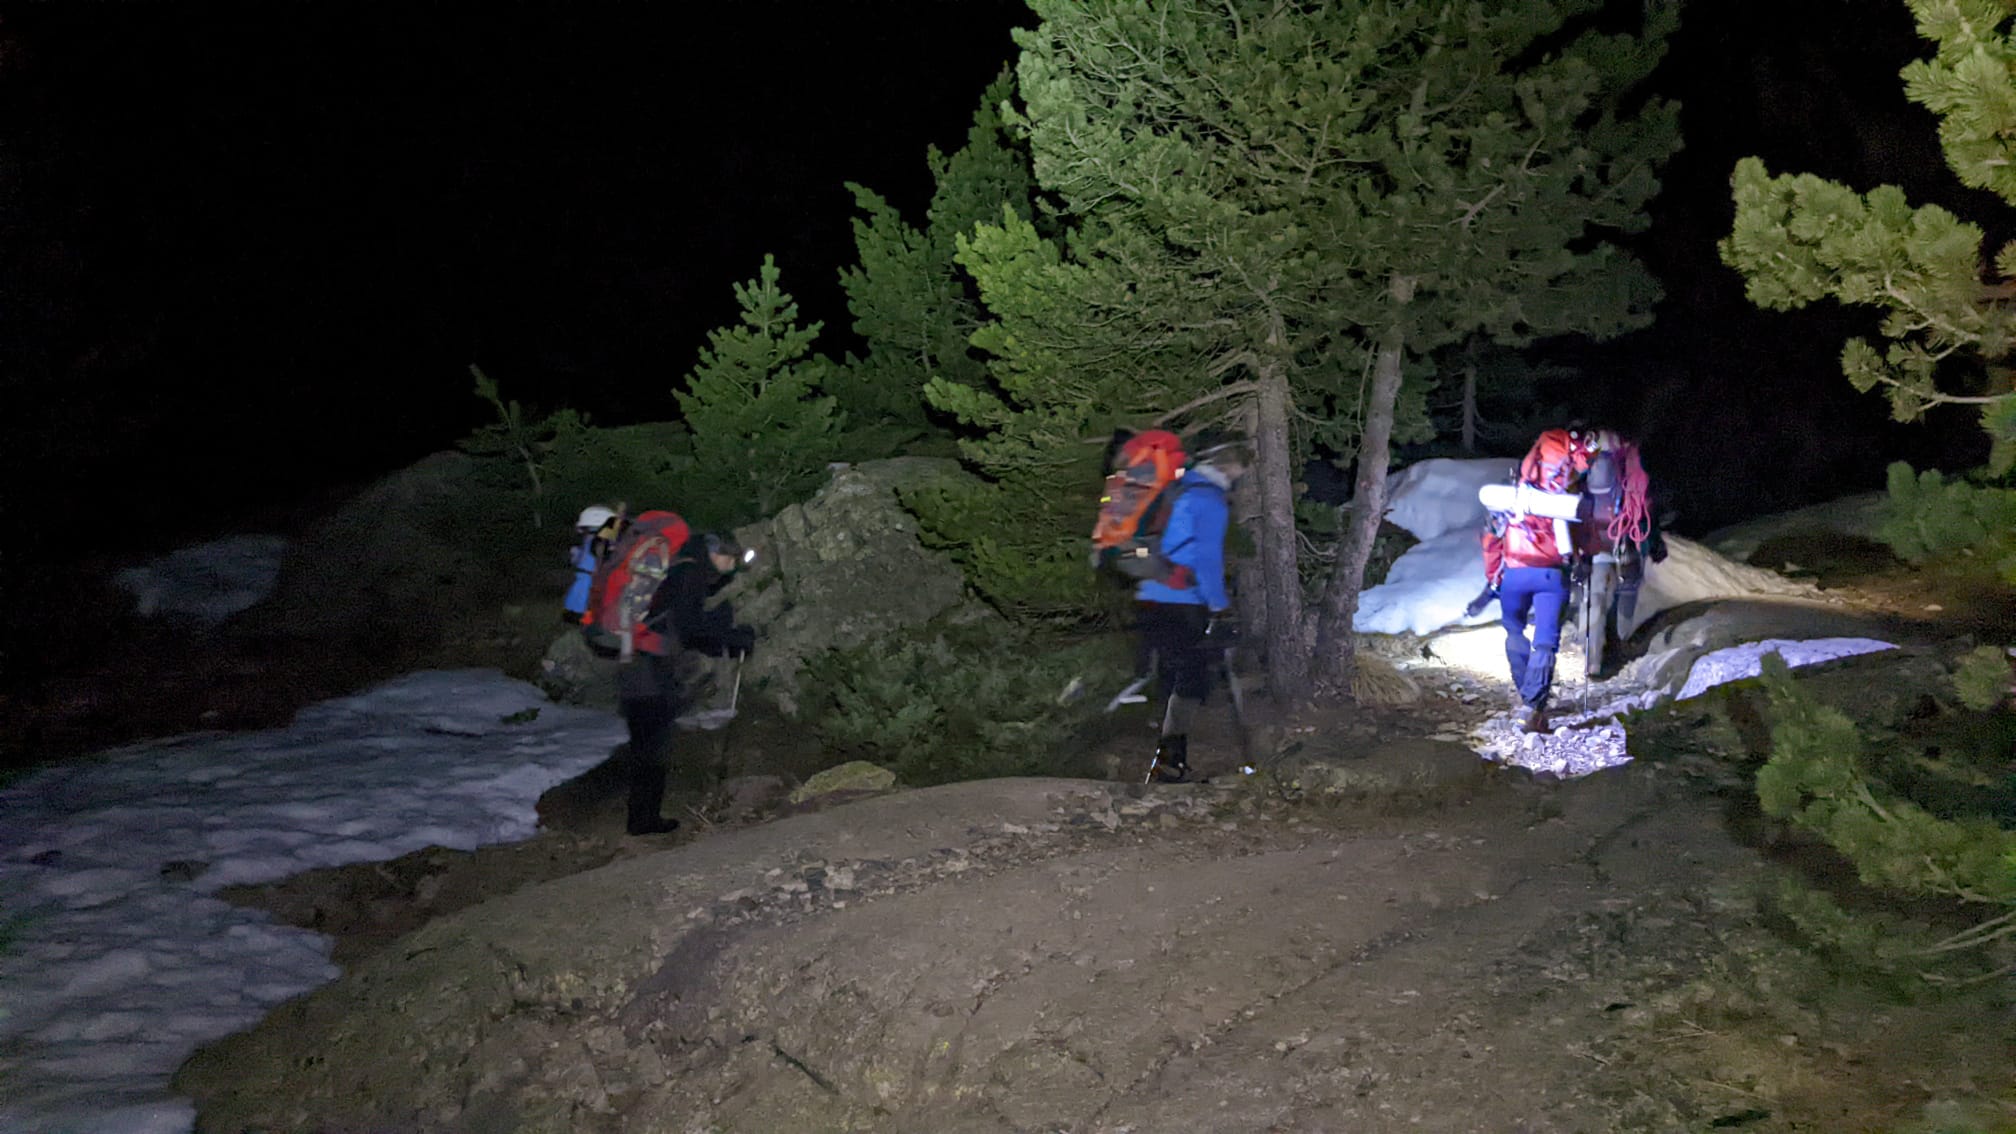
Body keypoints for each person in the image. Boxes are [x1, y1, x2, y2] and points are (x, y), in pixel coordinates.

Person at [1465, 427, 1607, 733]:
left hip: (1514, 575)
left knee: (1514, 631)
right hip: (1551, 576)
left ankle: (1526, 695)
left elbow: (1491, 540)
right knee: (1545, 642)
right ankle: (1534, 705)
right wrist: (1584, 561)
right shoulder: (1568, 499)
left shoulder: (1512, 495)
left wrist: (1494, 579)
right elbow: (1587, 538)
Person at [616, 529, 755, 835]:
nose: (731, 568)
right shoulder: (690, 572)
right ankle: (643, 820)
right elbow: (689, 625)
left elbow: (680, 620)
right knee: (652, 744)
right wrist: (732, 637)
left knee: (647, 742)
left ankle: (642, 816)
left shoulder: (679, 568)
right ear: (716, 553)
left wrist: (720, 627)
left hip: (638, 664)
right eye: (730, 560)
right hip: (647, 670)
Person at [1136, 433, 1246, 783]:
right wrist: (1219, 605)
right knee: (1193, 678)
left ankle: (1160, 755)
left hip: (1151, 593)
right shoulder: (1210, 500)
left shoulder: (1178, 488)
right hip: (1183, 600)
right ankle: (1169, 759)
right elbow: (1207, 559)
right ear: (1229, 467)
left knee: (1170, 673)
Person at [563, 504, 619, 624]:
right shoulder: (599, 541)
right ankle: (583, 617)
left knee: (581, 590)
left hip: (585, 576)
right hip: (590, 577)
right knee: (586, 593)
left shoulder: (586, 538)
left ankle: (576, 615)